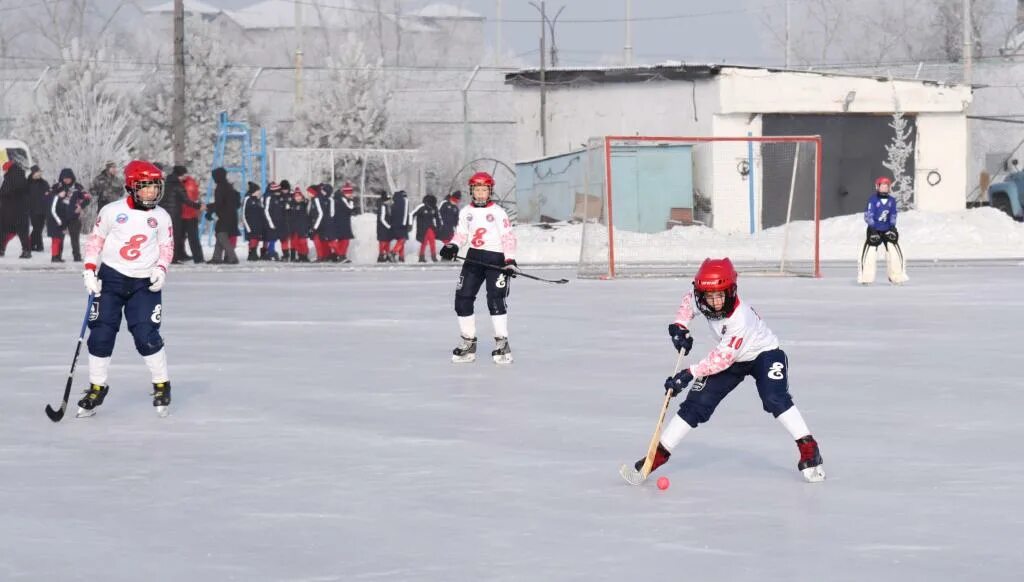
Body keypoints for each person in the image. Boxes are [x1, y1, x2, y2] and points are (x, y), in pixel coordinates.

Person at [621, 258, 825, 485]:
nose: (716, 302)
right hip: (732, 359)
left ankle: (809, 448)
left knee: (774, 398)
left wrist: (689, 374)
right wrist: (680, 327)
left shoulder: (740, 318)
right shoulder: (701, 298)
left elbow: (722, 358)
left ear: (731, 291)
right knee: (695, 405)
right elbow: (688, 303)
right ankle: (657, 457)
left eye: (721, 296)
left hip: (763, 354)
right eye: (709, 297)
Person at [78, 160, 174, 417]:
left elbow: (167, 247)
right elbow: (95, 241)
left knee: (146, 334)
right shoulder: (111, 211)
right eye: (146, 187)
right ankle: (97, 387)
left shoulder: (161, 217)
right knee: (100, 334)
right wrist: (89, 269)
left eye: (155, 187)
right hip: (112, 278)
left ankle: (162, 384)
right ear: (132, 187)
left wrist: (161, 269)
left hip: (144, 282)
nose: (152, 192)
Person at [439, 172, 518, 364]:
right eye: (477, 190)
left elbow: (508, 236)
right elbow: (461, 234)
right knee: (462, 298)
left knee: (495, 299)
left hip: (496, 258)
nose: (481, 194)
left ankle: (502, 344)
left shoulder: (498, 212)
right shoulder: (466, 211)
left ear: (490, 191)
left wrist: (509, 260)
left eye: (484, 190)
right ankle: (468, 342)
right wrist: (452, 246)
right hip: (474, 257)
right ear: (471, 191)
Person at [858, 176, 908, 285]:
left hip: (887, 229)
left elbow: (893, 215)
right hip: (874, 229)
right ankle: (866, 277)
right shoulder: (873, 200)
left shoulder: (891, 200)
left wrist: (892, 227)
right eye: (882, 186)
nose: (884, 188)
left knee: (894, 251)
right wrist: (872, 228)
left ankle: (897, 276)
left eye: (886, 186)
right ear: (877, 187)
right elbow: (868, 215)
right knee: (870, 252)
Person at [52, 169, 91, 262]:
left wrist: (81, 206)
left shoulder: (78, 187)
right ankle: (57, 257)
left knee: (75, 238)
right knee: (59, 238)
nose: (66, 180)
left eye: (68, 178)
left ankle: (77, 256)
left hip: (73, 217)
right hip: (59, 218)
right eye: (64, 178)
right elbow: (48, 198)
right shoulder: (57, 187)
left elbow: (87, 198)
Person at [208, 167, 241, 265]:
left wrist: (209, 211)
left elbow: (219, 203)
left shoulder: (220, 187)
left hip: (224, 215)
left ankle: (232, 257)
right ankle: (216, 257)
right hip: (232, 215)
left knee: (221, 235)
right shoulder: (229, 186)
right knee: (220, 235)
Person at [0, 160, 31, 258]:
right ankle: (26, 251)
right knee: (23, 232)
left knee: (3, 230)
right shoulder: (22, 177)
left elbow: (4, 193)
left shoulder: (9, 178)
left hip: (9, 210)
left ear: (7, 169)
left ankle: (1, 249)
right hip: (22, 210)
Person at [180, 171, 204, 263]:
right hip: (189, 215)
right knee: (192, 238)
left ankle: (184, 255)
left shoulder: (187, 184)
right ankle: (198, 258)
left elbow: (188, 200)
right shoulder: (190, 184)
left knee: (184, 238)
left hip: (185, 215)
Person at [45, 180, 72, 262]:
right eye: (63, 192)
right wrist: (59, 221)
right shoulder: (55, 198)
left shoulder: (63, 200)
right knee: (55, 240)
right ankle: (54, 256)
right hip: (54, 222)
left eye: (65, 192)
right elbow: (52, 210)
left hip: (59, 222)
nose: (64, 193)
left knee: (58, 239)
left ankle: (57, 256)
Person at [330, 182, 357, 263]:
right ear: (344, 193)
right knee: (344, 240)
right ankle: (341, 255)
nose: (349, 195)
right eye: (347, 193)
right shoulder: (342, 200)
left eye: (350, 193)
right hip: (340, 223)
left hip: (343, 222)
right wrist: (352, 201)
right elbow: (350, 209)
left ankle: (341, 255)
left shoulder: (340, 199)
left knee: (344, 240)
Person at [411, 193, 440, 262]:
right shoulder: (421, 207)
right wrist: (411, 224)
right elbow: (412, 214)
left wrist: (438, 226)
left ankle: (433, 257)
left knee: (432, 243)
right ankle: (422, 257)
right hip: (423, 229)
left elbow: (438, 218)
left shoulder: (434, 208)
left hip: (431, 228)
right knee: (424, 243)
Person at [286, 186, 311, 262]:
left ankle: (304, 256)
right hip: (294, 228)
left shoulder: (304, 204)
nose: (298, 198)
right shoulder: (291, 205)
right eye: (296, 196)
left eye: (299, 196)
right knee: (294, 242)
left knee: (303, 242)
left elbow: (308, 204)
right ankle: (294, 256)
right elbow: (288, 216)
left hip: (303, 227)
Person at [242, 182, 265, 261]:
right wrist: (247, 226)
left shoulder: (258, 200)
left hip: (258, 225)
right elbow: (243, 213)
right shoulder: (247, 199)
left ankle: (254, 253)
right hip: (250, 225)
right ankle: (251, 254)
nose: (259, 192)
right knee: (252, 240)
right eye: (258, 191)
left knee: (256, 239)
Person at [28, 165, 49, 252]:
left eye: (40, 172)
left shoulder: (44, 183)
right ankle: (40, 246)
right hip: (32, 209)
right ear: (33, 173)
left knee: (39, 228)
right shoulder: (27, 183)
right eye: (38, 172)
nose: (39, 174)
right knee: (37, 227)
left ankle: (31, 244)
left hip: (43, 209)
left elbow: (49, 194)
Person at [390, 189, 410, 262]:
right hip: (402, 225)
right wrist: (405, 224)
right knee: (402, 240)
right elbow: (405, 213)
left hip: (395, 225)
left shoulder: (394, 204)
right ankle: (394, 252)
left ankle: (401, 257)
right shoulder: (405, 201)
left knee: (400, 240)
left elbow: (392, 215)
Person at [376, 191, 393, 263]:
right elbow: (382, 218)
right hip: (383, 227)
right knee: (383, 241)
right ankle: (381, 255)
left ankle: (386, 255)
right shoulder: (383, 206)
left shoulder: (384, 205)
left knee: (386, 241)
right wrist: (388, 226)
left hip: (384, 226)